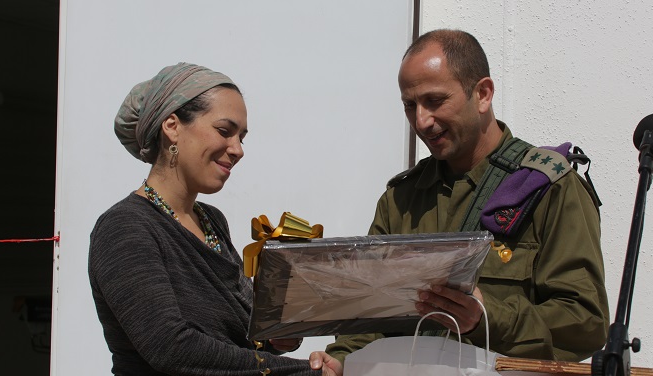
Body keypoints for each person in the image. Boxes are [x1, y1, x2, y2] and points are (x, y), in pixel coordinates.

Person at [326, 29, 610, 362]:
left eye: (434, 101)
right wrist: (341, 360)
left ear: (483, 94)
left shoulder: (550, 189)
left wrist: (486, 318)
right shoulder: (401, 200)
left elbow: (586, 324)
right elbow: (368, 310)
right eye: (409, 105)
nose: (421, 121)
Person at [89, 62, 342, 376]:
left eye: (242, 137)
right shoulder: (125, 227)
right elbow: (171, 347)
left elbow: (239, 336)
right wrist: (302, 372)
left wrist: (277, 334)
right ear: (172, 126)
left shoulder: (211, 222)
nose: (237, 149)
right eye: (224, 131)